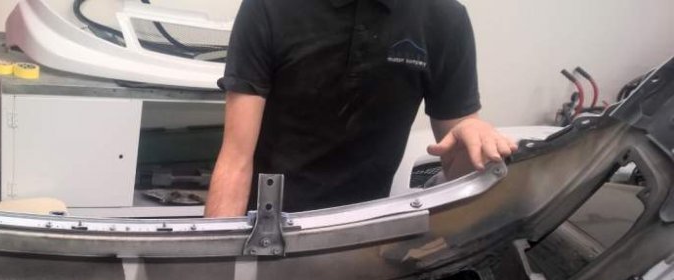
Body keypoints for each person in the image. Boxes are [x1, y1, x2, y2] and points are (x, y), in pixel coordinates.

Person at [204, 0, 518, 217]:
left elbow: (456, 165)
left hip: (364, 234)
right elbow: (235, 161)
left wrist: (472, 135)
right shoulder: (269, 7)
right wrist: (217, 269)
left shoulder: (444, 19)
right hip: (267, 227)